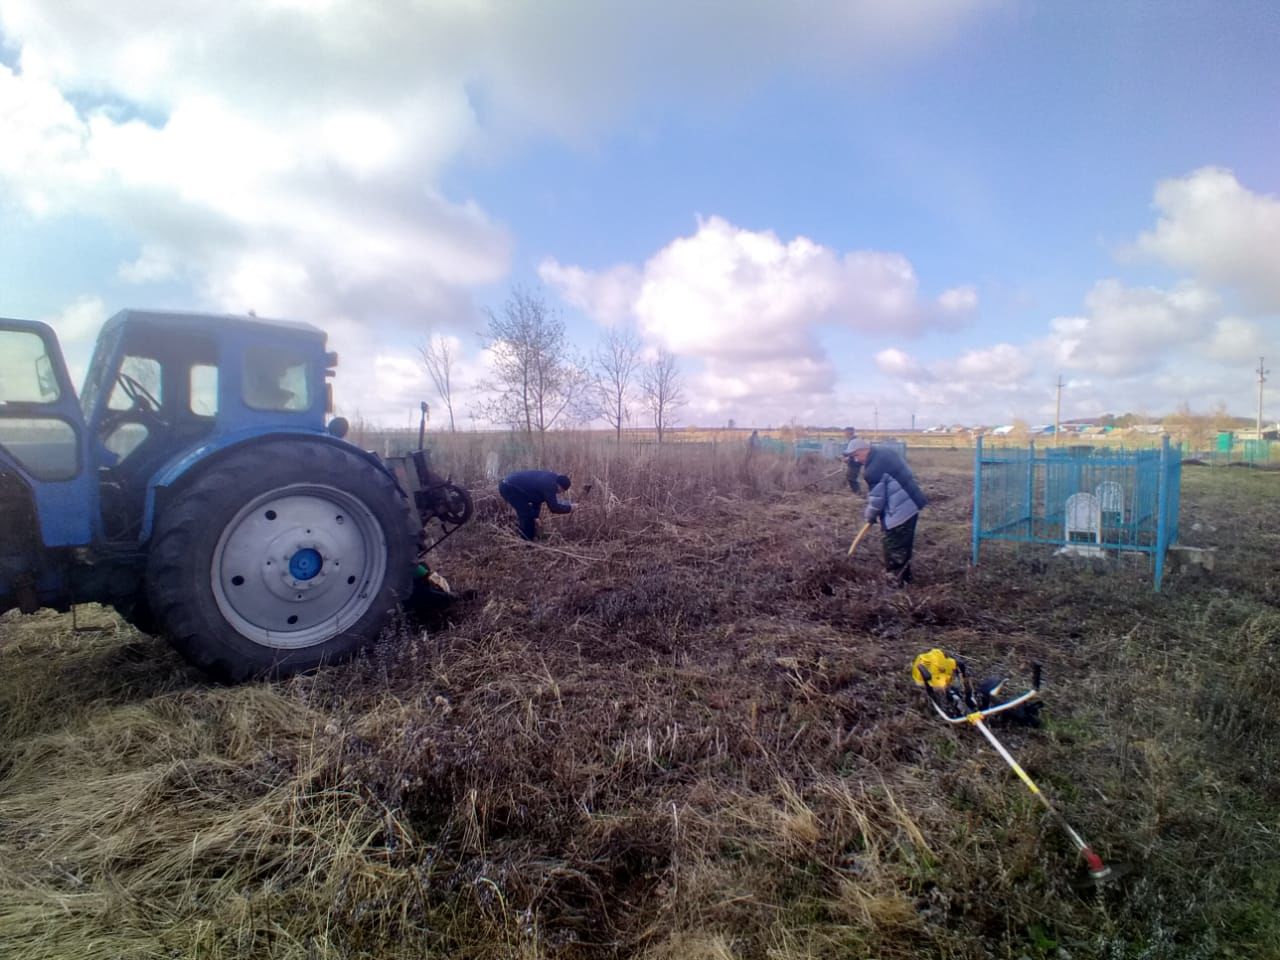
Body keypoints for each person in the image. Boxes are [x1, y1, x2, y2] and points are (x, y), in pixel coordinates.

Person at [849, 439, 928, 584]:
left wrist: (870, 516)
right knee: (904, 544)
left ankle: (896, 584)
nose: (856, 460)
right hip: (912, 502)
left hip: (899, 511)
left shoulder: (873, 470)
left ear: (863, 450)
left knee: (893, 546)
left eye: (856, 456)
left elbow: (876, 501)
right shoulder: (885, 452)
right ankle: (905, 578)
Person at [498, 470, 573, 541]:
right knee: (526, 514)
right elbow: (553, 507)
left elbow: (537, 499)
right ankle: (526, 543)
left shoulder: (551, 479)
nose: (560, 493)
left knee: (530, 514)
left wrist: (536, 516)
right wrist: (570, 508)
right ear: (559, 486)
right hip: (508, 487)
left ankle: (528, 538)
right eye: (562, 490)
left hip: (512, 486)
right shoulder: (549, 485)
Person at [841, 427, 864, 493]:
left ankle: (858, 493)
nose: (844, 434)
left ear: (849, 433)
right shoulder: (853, 440)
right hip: (854, 461)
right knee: (851, 477)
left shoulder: (854, 441)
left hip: (856, 462)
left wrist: (845, 456)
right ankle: (856, 492)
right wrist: (848, 458)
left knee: (851, 478)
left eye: (845, 432)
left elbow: (852, 452)